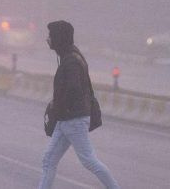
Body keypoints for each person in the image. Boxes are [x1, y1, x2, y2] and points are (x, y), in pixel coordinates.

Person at [38, 20, 119, 189]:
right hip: (66, 119)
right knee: (48, 160)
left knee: (89, 161)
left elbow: (73, 89)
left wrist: (58, 106)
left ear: (59, 38)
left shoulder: (71, 61)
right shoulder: (69, 56)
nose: (48, 39)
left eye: (50, 36)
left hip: (73, 120)